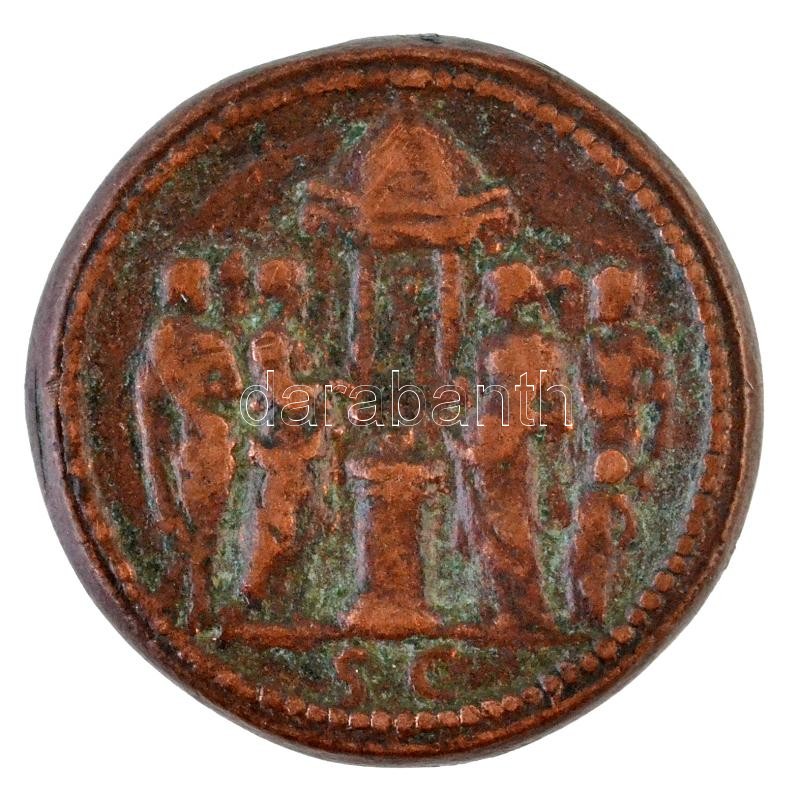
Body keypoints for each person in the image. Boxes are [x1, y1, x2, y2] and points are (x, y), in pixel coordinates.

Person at [136, 258, 243, 632]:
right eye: (202, 283)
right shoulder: (193, 343)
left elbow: (151, 400)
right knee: (202, 531)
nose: (208, 292)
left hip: (192, 447)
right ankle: (197, 605)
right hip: (201, 446)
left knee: (199, 530)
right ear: (182, 289)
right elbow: (226, 390)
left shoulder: (180, 344)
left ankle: (184, 599)